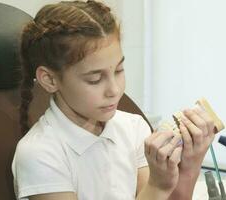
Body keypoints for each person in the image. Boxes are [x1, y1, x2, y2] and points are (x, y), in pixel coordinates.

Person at [12, 1, 215, 200]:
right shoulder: (39, 154)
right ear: (50, 79)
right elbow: (155, 192)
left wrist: (189, 165)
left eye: (119, 70)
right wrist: (157, 186)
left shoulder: (133, 128)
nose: (115, 90)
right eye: (94, 79)